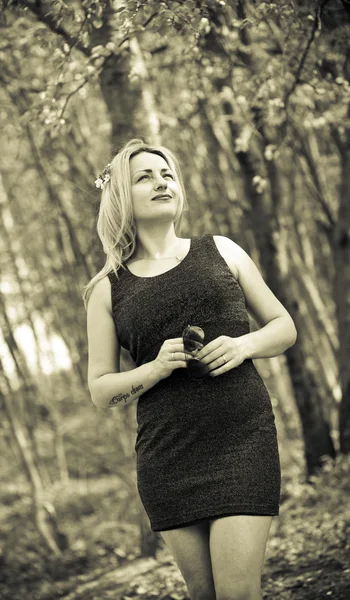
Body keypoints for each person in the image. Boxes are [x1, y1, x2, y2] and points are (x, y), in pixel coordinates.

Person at [84, 138, 297, 600]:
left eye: (167, 175)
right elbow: (101, 390)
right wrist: (155, 368)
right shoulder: (106, 289)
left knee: (238, 591)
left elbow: (284, 327)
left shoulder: (222, 250)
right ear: (121, 196)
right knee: (203, 592)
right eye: (144, 177)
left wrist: (244, 345)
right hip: (167, 457)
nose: (161, 183)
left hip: (243, 438)